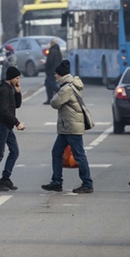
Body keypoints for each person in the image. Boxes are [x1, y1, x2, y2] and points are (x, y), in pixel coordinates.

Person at [42, 60, 94, 194]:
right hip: (67, 126)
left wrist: (55, 92)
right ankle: (56, 182)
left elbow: (54, 103)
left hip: (71, 126)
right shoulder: (69, 85)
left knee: (79, 155)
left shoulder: (67, 88)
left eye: (56, 74)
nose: (54, 76)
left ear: (61, 75)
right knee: (56, 152)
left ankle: (87, 183)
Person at [0, 66, 25, 192]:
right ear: (11, 77)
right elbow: (4, 111)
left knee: (14, 151)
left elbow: (17, 105)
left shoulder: (10, 89)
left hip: (7, 125)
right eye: (17, 78)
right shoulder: (4, 90)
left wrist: (18, 92)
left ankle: (5, 178)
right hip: (2, 124)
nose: (18, 80)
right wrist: (17, 123)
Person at [43, 38, 62, 105]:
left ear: (51, 43)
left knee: (50, 84)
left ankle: (60, 93)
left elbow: (49, 61)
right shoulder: (58, 51)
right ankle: (50, 99)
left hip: (51, 71)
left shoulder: (51, 51)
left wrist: (45, 64)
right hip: (56, 70)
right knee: (50, 84)